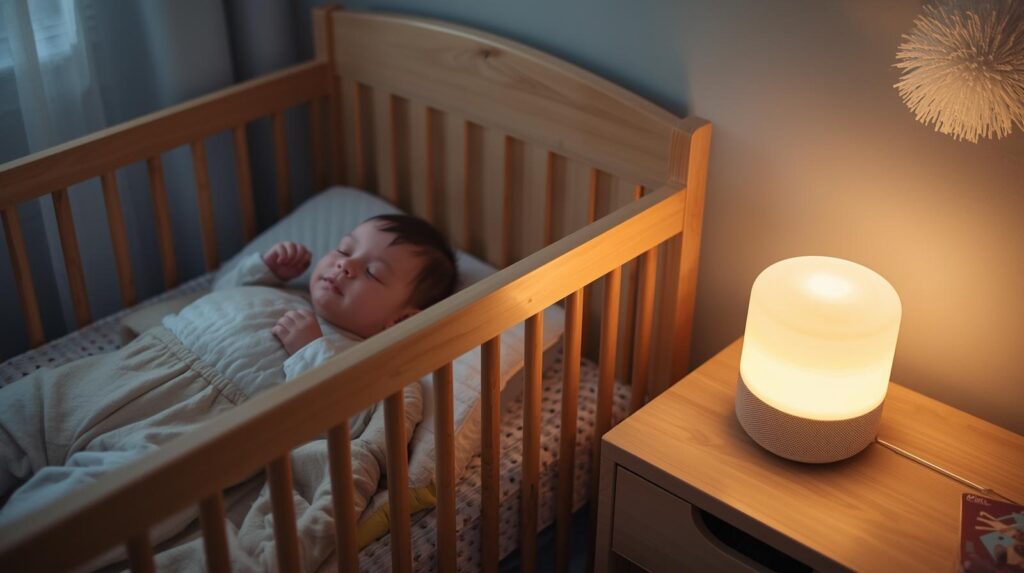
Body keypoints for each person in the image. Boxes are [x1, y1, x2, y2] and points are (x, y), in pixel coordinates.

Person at [0, 214, 457, 532]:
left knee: (80, 505)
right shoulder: (288, 294)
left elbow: (346, 424)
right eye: (344, 248)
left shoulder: (354, 360)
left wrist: (309, 352)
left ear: (399, 321)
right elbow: (219, 296)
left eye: (371, 273)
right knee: (25, 411)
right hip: (125, 372)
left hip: (183, 425)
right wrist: (264, 271)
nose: (345, 264)